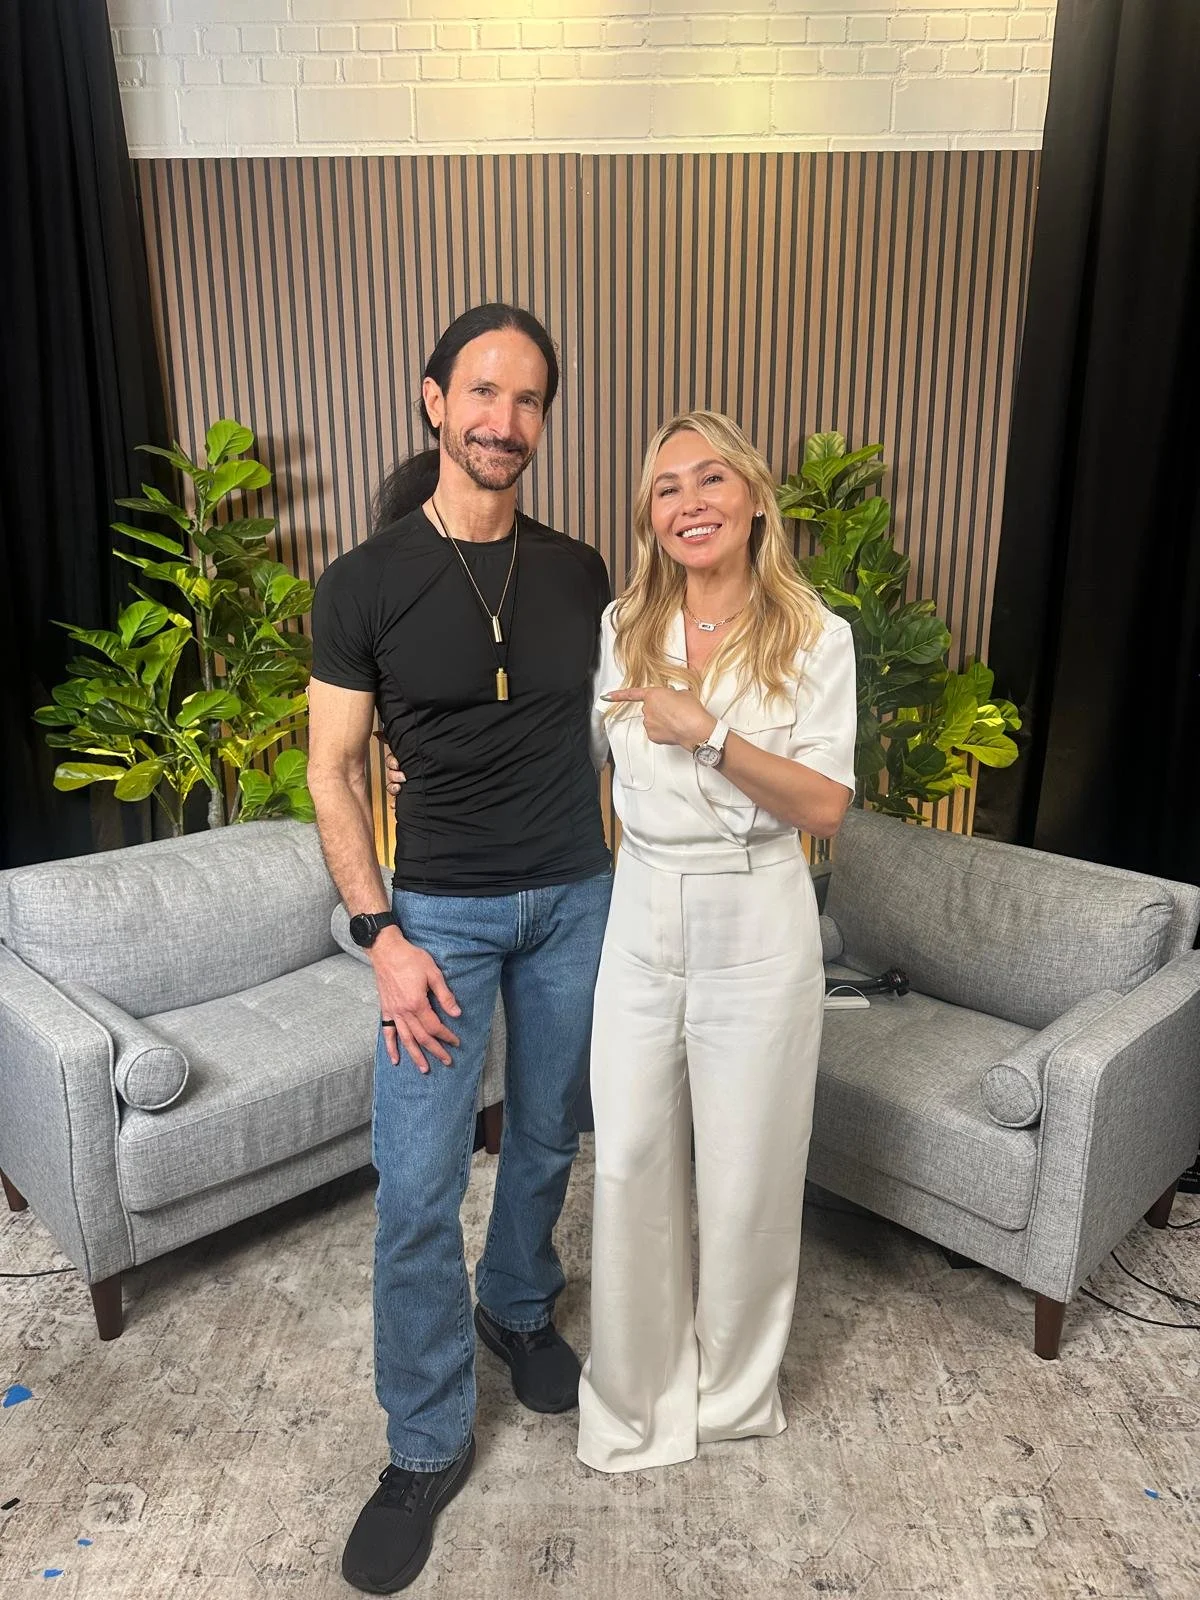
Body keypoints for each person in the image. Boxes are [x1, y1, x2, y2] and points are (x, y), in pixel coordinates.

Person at [307, 304, 612, 1594]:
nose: (505, 421)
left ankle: (520, 1304)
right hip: (437, 919)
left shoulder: (584, 568)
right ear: (432, 399)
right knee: (419, 1188)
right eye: (483, 393)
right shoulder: (365, 579)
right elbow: (330, 772)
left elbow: (621, 729)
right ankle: (427, 1443)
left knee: (549, 1133)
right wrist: (380, 935)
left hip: (576, 903)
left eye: (530, 400)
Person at [576, 410, 857, 1474]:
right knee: (635, 1158)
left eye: (709, 481)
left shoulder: (815, 636)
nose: (688, 503)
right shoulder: (623, 625)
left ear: (751, 498)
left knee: (748, 1174)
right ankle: (637, 1401)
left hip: (758, 917)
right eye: (665, 489)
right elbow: (575, 755)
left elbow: (824, 807)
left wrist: (714, 735)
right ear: (650, 519)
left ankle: (735, 1399)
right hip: (642, 908)